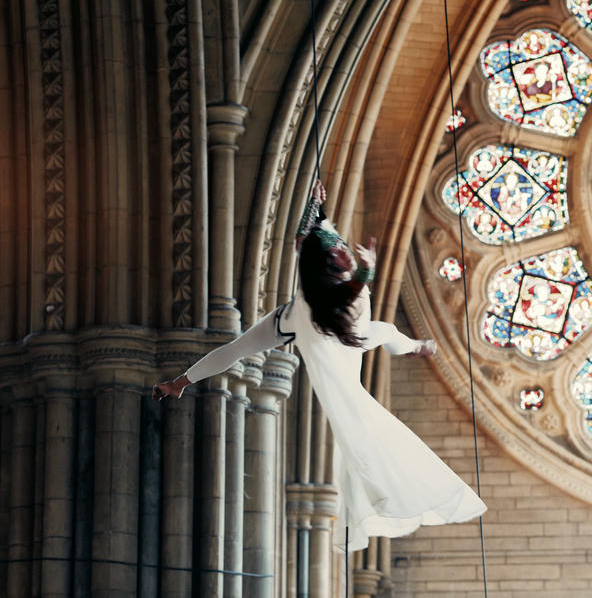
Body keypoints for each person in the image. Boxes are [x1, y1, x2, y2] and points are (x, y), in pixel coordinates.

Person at [152, 180, 486, 550]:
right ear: (331, 268)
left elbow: (304, 240)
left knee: (384, 335)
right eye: (341, 251)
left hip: (352, 336)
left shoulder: (296, 304)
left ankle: (412, 347)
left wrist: (315, 205)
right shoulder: (315, 307)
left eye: (344, 249)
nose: (345, 249)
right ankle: (412, 351)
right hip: (343, 346)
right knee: (366, 409)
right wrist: (366, 270)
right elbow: (236, 349)